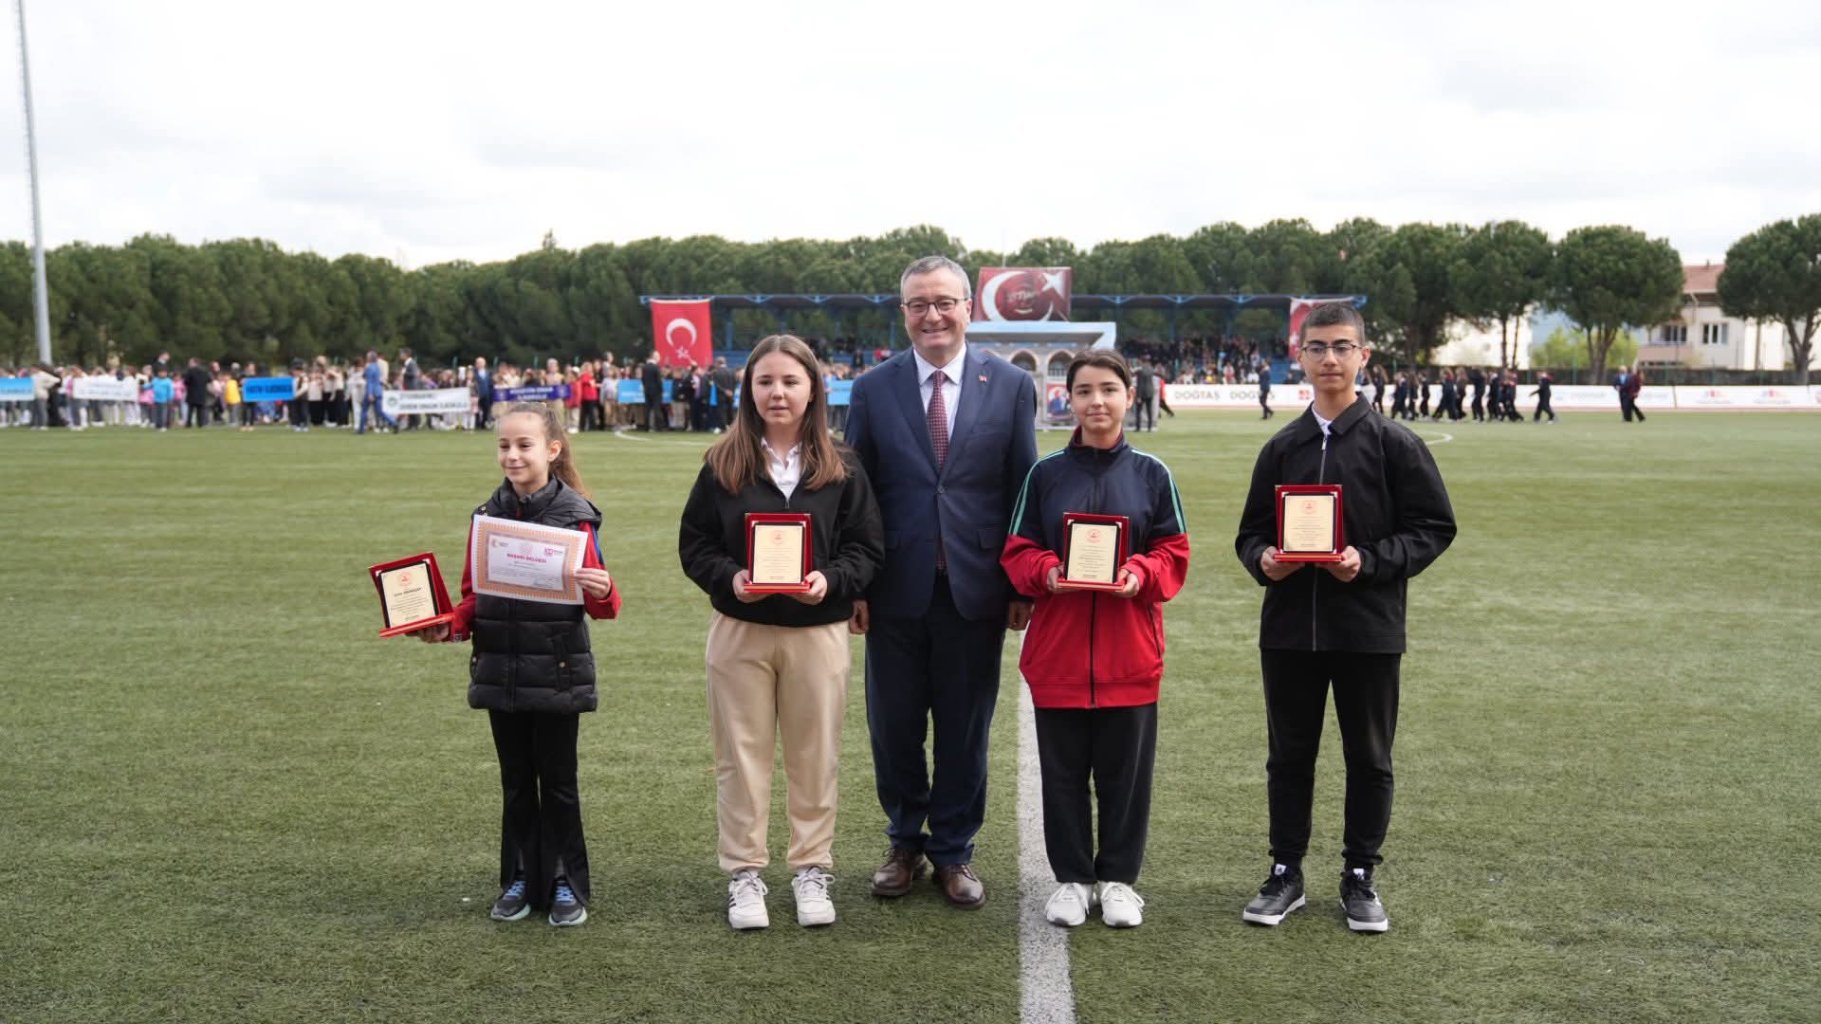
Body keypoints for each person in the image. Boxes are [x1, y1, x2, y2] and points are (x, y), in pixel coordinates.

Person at [1233, 301, 1456, 934]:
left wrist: (1369, 561)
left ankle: (1360, 875)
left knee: (1370, 757)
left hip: (1368, 629)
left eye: (1341, 347)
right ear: (1299, 357)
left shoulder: (1395, 444)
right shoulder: (1282, 447)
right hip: (1289, 632)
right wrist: (1263, 560)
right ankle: (1285, 871)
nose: (1329, 359)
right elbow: (1249, 534)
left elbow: (1434, 528)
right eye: (1317, 348)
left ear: (1363, 356)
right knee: (1289, 758)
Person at [844, 254, 1039, 909]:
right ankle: (904, 842)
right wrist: (856, 586)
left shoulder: (1010, 385)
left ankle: (954, 850)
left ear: (967, 308)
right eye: (918, 304)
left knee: (964, 729)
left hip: (975, 590)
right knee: (893, 727)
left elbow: (1023, 489)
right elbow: (856, 493)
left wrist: (1020, 585)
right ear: (903, 313)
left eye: (944, 302)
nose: (932, 315)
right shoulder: (872, 389)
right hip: (893, 589)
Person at [678, 334, 885, 930]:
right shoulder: (722, 463)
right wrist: (731, 577)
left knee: (814, 756)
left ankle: (811, 868)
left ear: (813, 389)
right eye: (765, 381)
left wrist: (832, 581)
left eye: (791, 381)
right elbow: (695, 545)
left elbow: (867, 547)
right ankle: (745, 873)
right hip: (740, 629)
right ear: (748, 389)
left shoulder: (842, 465)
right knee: (740, 758)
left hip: (817, 632)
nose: (777, 393)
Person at [412, 401, 622, 927]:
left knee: (559, 783)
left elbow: (602, 606)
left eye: (524, 445)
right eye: (504, 445)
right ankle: (521, 877)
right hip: (500, 669)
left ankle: (566, 882)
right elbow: (472, 596)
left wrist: (603, 588)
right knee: (516, 783)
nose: (512, 455)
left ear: (552, 450)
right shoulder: (486, 516)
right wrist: (449, 625)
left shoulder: (576, 515)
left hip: (557, 671)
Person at [1000, 349, 1190, 929]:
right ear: (1069, 398)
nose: (1096, 402)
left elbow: (1174, 553)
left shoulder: (1153, 474)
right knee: (1061, 777)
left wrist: (1139, 573)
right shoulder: (1045, 474)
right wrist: (1045, 572)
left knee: (1124, 779)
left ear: (1129, 396)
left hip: (1130, 655)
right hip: (1057, 656)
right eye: (1084, 391)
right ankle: (1073, 879)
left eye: (1108, 389)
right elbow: (1017, 550)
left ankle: (1118, 881)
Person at [641, 353, 666, 432]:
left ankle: (646, 426)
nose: (659, 358)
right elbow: (659, 381)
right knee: (657, 408)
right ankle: (660, 426)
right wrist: (661, 389)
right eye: (658, 356)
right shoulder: (656, 367)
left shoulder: (645, 367)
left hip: (647, 390)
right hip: (656, 391)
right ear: (655, 357)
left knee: (647, 409)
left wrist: (645, 387)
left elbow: (643, 379)